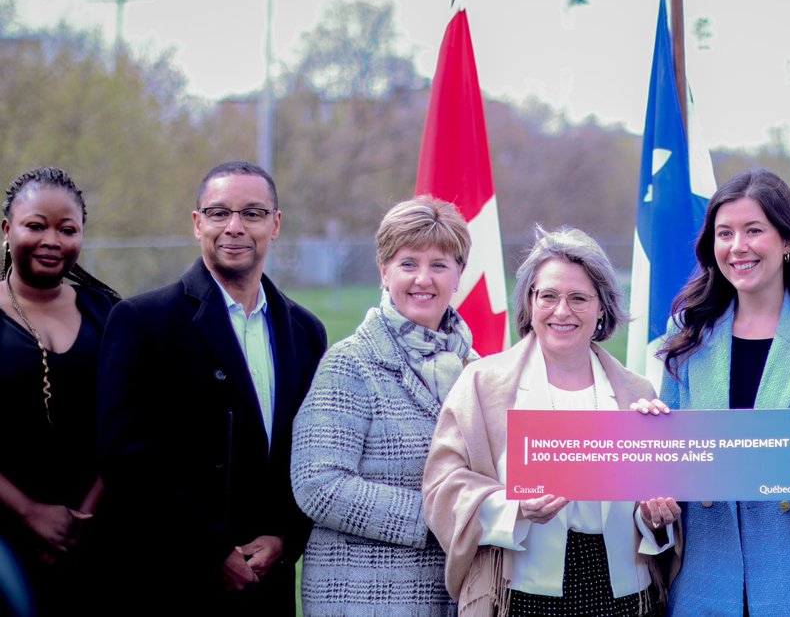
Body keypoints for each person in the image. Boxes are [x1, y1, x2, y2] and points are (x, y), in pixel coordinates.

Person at [96, 160, 327, 616]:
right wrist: (212, 550)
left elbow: (313, 450)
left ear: (275, 224)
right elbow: (125, 458)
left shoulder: (306, 331)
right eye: (219, 213)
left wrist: (286, 537)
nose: (234, 227)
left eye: (253, 213)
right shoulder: (143, 321)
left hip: (268, 584)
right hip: (172, 579)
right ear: (197, 222)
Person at [642, 168, 790, 616]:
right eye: (724, 233)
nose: (738, 246)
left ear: (787, 241)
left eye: (754, 230)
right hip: (706, 579)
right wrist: (655, 479)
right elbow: (669, 451)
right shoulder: (689, 331)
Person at [423, 226, 676, 617]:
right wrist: (514, 506)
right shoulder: (483, 384)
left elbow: (656, 510)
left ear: (602, 307)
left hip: (625, 596)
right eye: (549, 296)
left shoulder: (637, 391)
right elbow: (442, 488)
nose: (562, 311)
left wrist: (652, 516)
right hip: (517, 593)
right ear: (529, 301)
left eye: (578, 298)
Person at [291, 196, 476, 616]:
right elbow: (317, 485)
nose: (423, 279)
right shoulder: (350, 363)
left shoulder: (477, 370)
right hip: (362, 598)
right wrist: (444, 516)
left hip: (449, 598)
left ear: (459, 274)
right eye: (408, 263)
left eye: (439, 265)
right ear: (384, 270)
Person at [0, 167, 120, 616]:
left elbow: (130, 423)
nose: (52, 239)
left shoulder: (109, 313)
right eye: (36, 225)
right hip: (7, 533)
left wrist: (82, 519)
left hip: (100, 530)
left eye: (67, 229)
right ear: (8, 229)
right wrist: (30, 512)